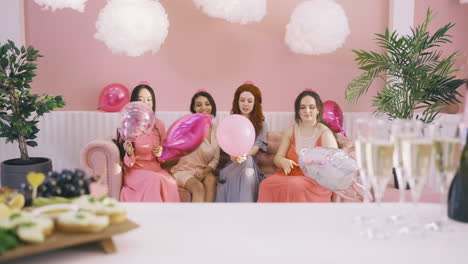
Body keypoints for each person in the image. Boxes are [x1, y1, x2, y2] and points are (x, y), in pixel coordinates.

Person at [258, 90, 338, 202]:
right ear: (298, 111)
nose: (307, 111)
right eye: (303, 107)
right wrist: (283, 161)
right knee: (266, 185)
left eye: (311, 107)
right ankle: (270, 219)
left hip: (315, 181)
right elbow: (277, 158)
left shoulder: (325, 133)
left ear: (318, 110)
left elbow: (335, 165)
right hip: (290, 176)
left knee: (295, 185)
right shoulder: (291, 130)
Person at [116, 83, 180, 202]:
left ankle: (167, 217)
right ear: (134, 103)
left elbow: (163, 156)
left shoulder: (159, 125)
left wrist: (161, 153)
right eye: (141, 100)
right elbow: (126, 161)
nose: (146, 103)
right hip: (135, 172)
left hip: (155, 169)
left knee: (169, 181)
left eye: (149, 100)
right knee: (155, 179)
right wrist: (129, 154)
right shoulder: (128, 124)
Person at [216, 82, 268, 202]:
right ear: (237, 101)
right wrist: (234, 155)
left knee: (248, 167)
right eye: (242, 100)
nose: (245, 104)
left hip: (249, 165)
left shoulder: (262, 124)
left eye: (250, 101)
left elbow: (255, 148)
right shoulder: (230, 121)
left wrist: (243, 155)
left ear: (255, 103)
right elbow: (228, 145)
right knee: (247, 173)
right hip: (232, 164)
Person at [171, 90, 220, 202]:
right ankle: (195, 219)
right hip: (184, 171)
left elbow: (215, 159)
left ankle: (207, 217)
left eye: (207, 104)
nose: (203, 108)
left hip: (202, 171)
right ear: (194, 109)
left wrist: (205, 172)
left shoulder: (216, 130)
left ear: (212, 107)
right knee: (198, 187)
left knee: (211, 180)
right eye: (199, 105)